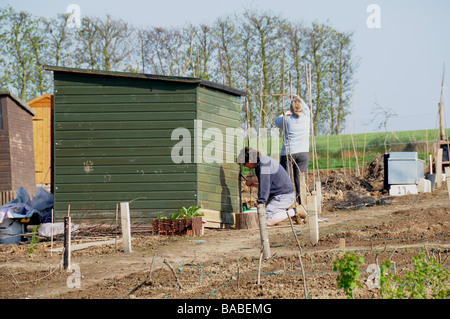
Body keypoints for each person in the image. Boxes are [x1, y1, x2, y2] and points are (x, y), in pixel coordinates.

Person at [237, 147, 305, 226]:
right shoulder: (262, 162)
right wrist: (254, 185)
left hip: (283, 195)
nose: (245, 166)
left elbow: (264, 187)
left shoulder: (263, 165)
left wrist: (261, 203)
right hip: (279, 194)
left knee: (266, 220)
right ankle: (289, 213)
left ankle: (295, 211)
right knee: (266, 215)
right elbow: (267, 185)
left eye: (245, 163)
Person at [274, 94, 310, 208]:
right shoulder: (307, 117)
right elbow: (307, 108)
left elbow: (276, 121)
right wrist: (298, 97)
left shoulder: (286, 120)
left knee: (286, 180)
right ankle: (302, 206)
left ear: (291, 109)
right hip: (303, 153)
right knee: (300, 180)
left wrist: (286, 112)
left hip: (288, 153)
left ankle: (286, 206)